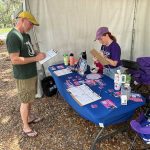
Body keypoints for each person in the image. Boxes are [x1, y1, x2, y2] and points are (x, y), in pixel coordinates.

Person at [6, 11, 46, 137]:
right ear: (22, 20)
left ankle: (28, 117)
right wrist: (35, 59)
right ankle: (25, 126)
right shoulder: (13, 36)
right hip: (23, 76)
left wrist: (37, 53)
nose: (32, 26)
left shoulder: (26, 35)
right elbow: (15, 59)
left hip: (31, 73)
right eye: (31, 23)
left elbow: (29, 50)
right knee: (25, 100)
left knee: (29, 99)